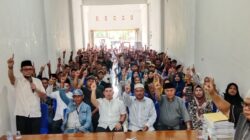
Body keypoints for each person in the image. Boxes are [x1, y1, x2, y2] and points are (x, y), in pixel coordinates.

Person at [7, 56, 46, 134]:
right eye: (26, 69)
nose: (28, 71)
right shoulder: (18, 81)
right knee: (22, 138)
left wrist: (36, 89)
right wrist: (10, 68)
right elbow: (11, 78)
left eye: (30, 69)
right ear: (21, 71)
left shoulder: (37, 81)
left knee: (35, 138)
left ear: (32, 70)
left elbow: (44, 97)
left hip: (35, 115)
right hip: (21, 115)